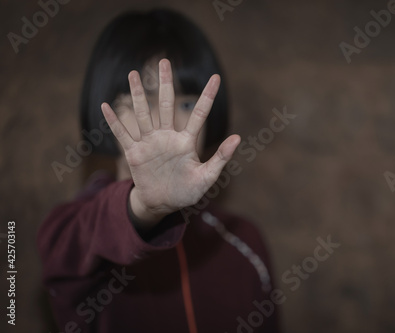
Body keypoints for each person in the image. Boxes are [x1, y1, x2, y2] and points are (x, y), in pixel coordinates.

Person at [37, 8, 279, 333]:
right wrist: (145, 206)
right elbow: (74, 246)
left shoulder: (243, 242)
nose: (171, 126)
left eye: (188, 104)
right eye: (146, 101)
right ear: (105, 111)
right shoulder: (73, 235)